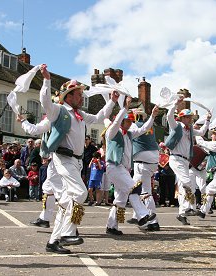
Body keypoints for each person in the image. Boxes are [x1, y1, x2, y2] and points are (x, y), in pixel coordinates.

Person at [39, 64, 118, 254]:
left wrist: (112, 101)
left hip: (76, 161)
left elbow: (100, 117)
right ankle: (67, 233)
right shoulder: (59, 110)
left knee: (67, 203)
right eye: (78, 94)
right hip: (63, 158)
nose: (81, 98)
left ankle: (53, 242)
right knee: (81, 192)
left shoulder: (80, 114)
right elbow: (45, 102)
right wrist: (47, 80)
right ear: (68, 96)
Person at [105, 96, 158, 235]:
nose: (130, 123)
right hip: (114, 167)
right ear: (121, 120)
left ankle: (112, 226)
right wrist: (125, 108)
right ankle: (142, 215)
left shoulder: (129, 134)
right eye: (128, 121)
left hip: (123, 169)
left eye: (131, 121)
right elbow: (116, 122)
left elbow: (144, 128)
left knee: (121, 199)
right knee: (133, 188)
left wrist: (152, 116)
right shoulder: (112, 132)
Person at [165, 95, 210, 225]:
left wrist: (207, 120)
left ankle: (181, 213)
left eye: (191, 117)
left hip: (185, 161)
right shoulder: (177, 125)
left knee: (183, 185)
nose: (190, 119)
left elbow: (201, 132)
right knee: (187, 182)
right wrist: (175, 104)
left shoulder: (190, 129)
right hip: (176, 159)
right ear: (182, 118)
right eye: (188, 117)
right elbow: (169, 117)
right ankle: (189, 208)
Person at [129, 107, 161, 231]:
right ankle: (138, 216)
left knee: (138, 191)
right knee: (144, 191)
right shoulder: (150, 127)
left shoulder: (134, 126)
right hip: (152, 160)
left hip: (142, 162)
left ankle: (150, 219)